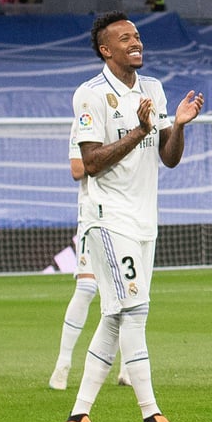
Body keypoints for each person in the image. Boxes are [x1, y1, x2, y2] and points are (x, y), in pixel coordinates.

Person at [61, 11, 204, 422]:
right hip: (108, 219)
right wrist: (139, 131)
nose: (135, 42)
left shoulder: (153, 89)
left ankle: (79, 416)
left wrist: (177, 126)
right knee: (136, 311)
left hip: (144, 222)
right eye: (125, 38)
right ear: (105, 49)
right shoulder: (90, 95)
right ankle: (151, 415)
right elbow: (89, 162)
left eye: (137, 35)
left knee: (115, 315)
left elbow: (169, 157)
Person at [49, 124, 131, 391]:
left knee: (126, 293)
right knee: (86, 287)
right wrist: (113, 157)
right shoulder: (84, 122)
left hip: (126, 214)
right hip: (92, 214)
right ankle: (62, 364)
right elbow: (77, 169)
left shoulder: (129, 121)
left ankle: (128, 366)